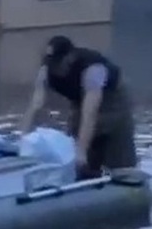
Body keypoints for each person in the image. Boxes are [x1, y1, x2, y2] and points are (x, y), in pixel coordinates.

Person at [19, 35, 137, 179]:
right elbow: (35, 104)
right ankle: (86, 173)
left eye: (57, 63)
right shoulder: (46, 70)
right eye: (50, 63)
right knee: (74, 139)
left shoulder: (92, 70)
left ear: (69, 58)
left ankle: (122, 173)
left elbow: (90, 114)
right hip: (80, 99)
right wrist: (22, 139)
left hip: (112, 102)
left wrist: (81, 153)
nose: (53, 68)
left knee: (109, 141)